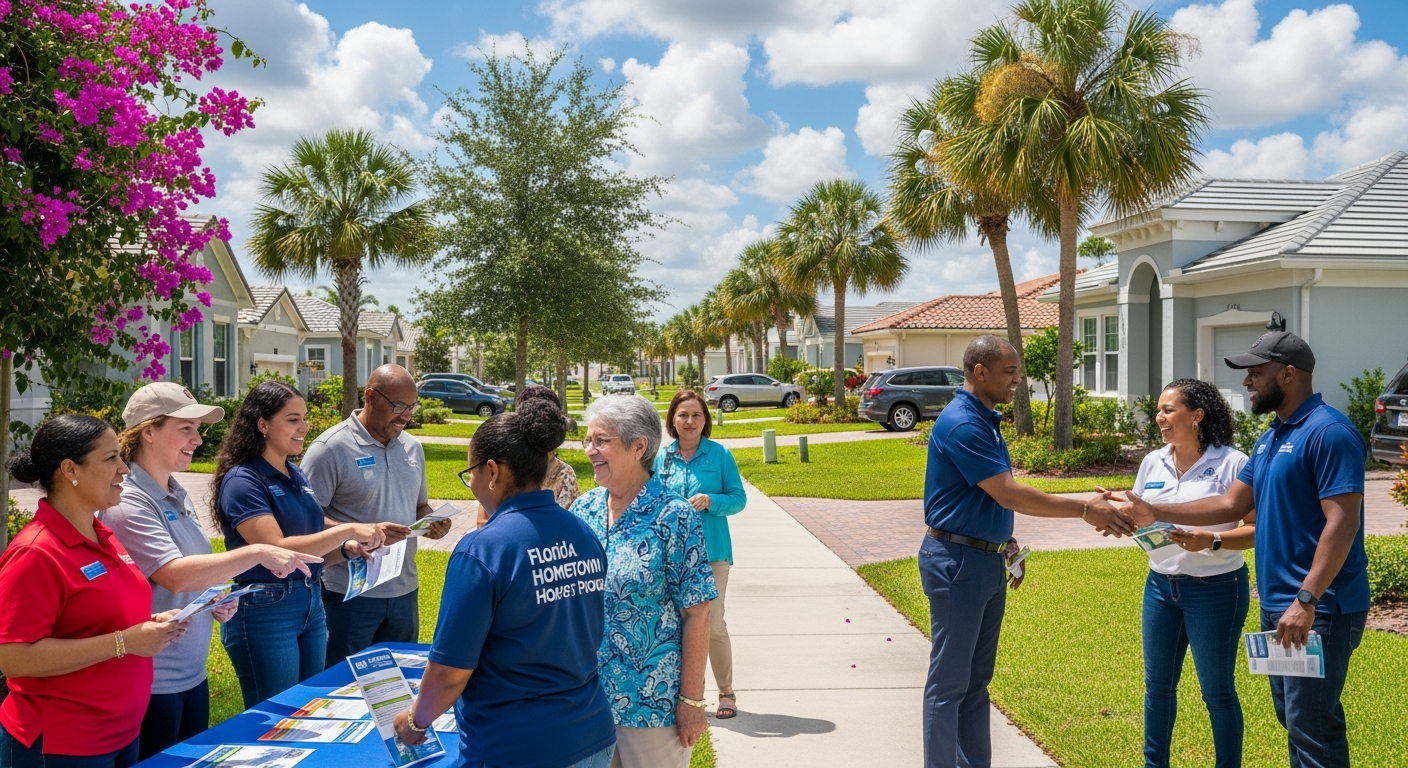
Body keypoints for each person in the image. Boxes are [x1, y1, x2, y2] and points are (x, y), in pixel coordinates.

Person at [1120, 331, 1368, 768]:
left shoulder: (1329, 432)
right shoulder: (1271, 436)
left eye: (1256, 372)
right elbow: (1231, 504)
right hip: (1279, 606)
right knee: (1293, 718)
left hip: (1319, 606)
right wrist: (1152, 510)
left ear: (1288, 374)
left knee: (1313, 726)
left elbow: (1343, 521)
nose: (1247, 381)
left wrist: (1305, 599)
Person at [920, 335, 1135, 768]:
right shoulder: (963, 423)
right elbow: (1008, 493)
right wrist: (1084, 508)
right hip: (958, 564)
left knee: (976, 683)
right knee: (949, 685)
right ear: (980, 372)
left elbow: (983, 497)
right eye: (1010, 372)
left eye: (1018, 371)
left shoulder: (984, 419)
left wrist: (1006, 543)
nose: (1019, 379)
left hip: (983, 559)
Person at [99, 383, 320, 759]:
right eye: (186, 428)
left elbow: (187, 572)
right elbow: (175, 574)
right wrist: (260, 552)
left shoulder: (174, 490)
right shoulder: (129, 501)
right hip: (153, 681)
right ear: (148, 432)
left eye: (198, 429)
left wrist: (213, 597)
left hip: (191, 676)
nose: (198, 440)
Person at [393, 397, 615, 768]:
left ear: (492, 471)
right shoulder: (582, 531)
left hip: (517, 746)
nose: (472, 483)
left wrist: (416, 720)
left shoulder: (482, 550)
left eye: (471, 473)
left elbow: (448, 673)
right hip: (592, 733)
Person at [0, 415, 188, 768]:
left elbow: (93, 619)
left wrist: (151, 625)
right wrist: (125, 642)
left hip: (122, 734)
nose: (124, 469)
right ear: (70, 469)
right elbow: (13, 658)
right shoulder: (35, 552)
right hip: (63, 744)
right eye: (111, 458)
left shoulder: (102, 535)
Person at [212, 381, 386, 708]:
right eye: (293, 420)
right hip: (265, 609)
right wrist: (347, 529)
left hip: (310, 601)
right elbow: (278, 550)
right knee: (276, 716)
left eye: (304, 418)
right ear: (263, 424)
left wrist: (346, 548)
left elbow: (310, 545)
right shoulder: (242, 480)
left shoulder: (296, 474)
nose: (304, 427)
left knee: (309, 708)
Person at [570, 395, 717, 768]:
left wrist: (692, 700)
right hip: (586, 700)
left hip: (652, 705)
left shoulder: (674, 516)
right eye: (588, 440)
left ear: (639, 447)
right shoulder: (583, 510)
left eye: (601, 441)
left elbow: (698, 614)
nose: (590, 450)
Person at [1129, 378, 1253, 768]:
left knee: (1217, 692)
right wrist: (1121, 519)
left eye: (1169, 410)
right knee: (1158, 689)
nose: (1159, 417)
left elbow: (1255, 529)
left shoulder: (1233, 463)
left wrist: (1212, 541)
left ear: (1197, 415)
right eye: (1159, 410)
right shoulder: (1153, 462)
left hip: (1217, 590)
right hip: (1160, 587)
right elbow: (1143, 519)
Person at [301, 365, 449, 668]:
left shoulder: (412, 447)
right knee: (343, 683)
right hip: (348, 594)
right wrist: (358, 531)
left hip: (404, 589)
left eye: (412, 407)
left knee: (399, 682)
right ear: (370, 397)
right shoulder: (330, 449)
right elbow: (305, 521)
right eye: (398, 406)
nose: (406, 416)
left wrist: (432, 521)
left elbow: (419, 505)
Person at [653, 389, 746, 719]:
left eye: (696, 415)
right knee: (676, 626)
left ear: (705, 420)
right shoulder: (661, 459)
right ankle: (686, 694)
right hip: (671, 559)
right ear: (673, 420)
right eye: (683, 415)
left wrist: (711, 501)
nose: (690, 421)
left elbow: (738, 499)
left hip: (712, 555)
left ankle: (726, 692)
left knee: (714, 625)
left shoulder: (720, 455)